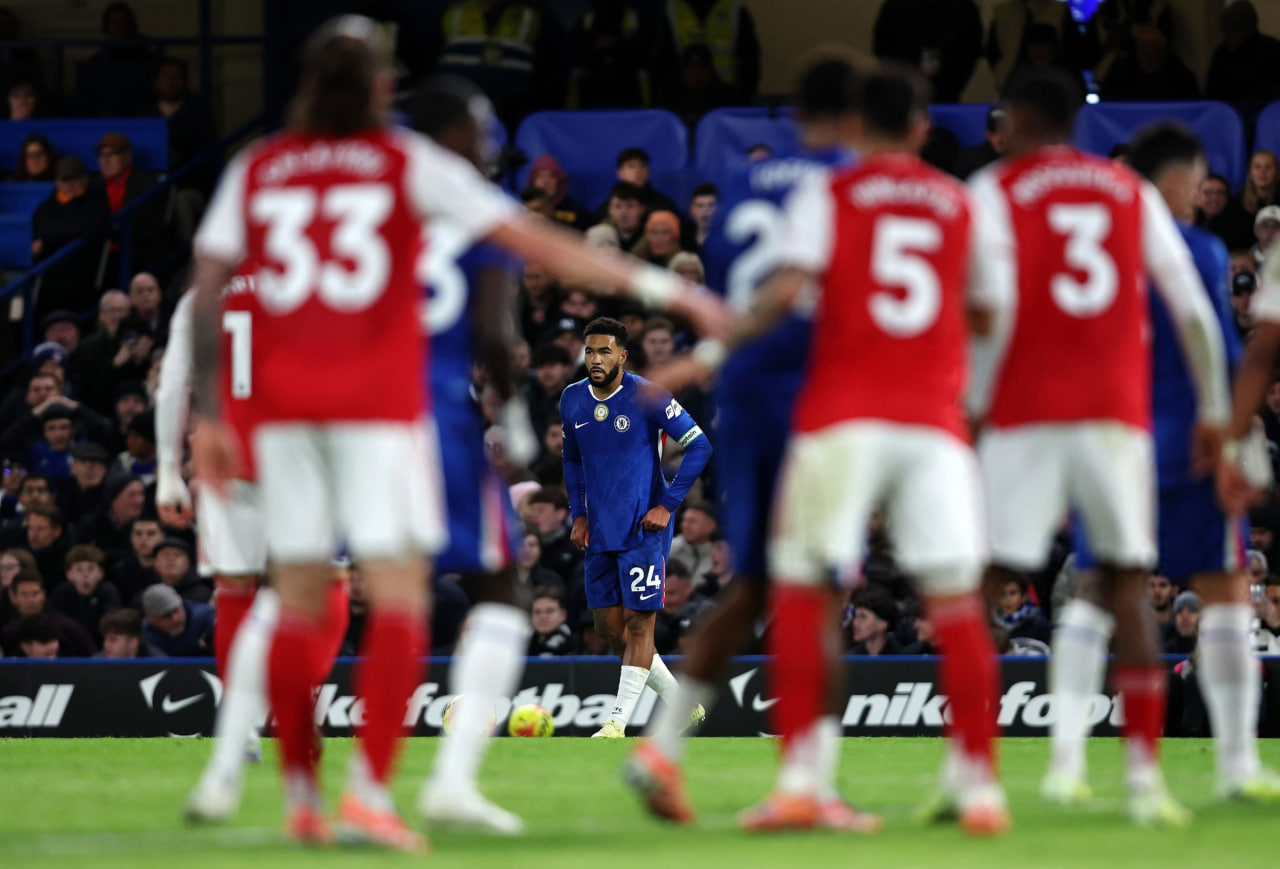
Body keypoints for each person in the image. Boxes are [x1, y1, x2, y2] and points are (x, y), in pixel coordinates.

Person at [187, 17, 724, 850]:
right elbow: (533, 248)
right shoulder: (407, 163)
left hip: (284, 413)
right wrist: (675, 290)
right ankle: (373, 793)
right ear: (381, 88)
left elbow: (208, 284)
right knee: (403, 594)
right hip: (383, 407)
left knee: (291, 600)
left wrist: (209, 414)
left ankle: (294, 792)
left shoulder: (259, 165)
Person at [683, 65, 1002, 835]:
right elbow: (990, 312)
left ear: (856, 126)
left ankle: (801, 783)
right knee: (956, 602)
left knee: (802, 589)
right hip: (933, 423)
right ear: (922, 129)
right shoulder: (961, 201)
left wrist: (711, 352)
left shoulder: (831, 193)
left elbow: (786, 289)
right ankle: (980, 787)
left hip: (841, 419)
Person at [969, 71, 1230, 827]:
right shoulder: (1127, 190)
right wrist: (1216, 410)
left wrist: (975, 409)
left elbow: (988, 307)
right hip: (1116, 416)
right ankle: (1144, 782)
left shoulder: (996, 189)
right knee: (1125, 582)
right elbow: (1193, 312)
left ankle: (983, 773)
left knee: (983, 582)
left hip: (1025, 412)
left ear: (1019, 122)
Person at [624, 54, 863, 830]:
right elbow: (809, 292)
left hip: (745, 401)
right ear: (855, 115)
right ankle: (807, 783)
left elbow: (729, 288)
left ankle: (662, 748)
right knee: (818, 587)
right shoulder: (850, 184)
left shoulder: (742, 187)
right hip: (814, 398)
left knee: (757, 583)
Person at [1054, 124, 1280, 807]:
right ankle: (1238, 764)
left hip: (1108, 442)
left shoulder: (1090, 252)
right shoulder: (1196, 247)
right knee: (1225, 590)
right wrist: (1235, 438)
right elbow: (1216, 345)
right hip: (1190, 441)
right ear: (1177, 179)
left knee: (1097, 592)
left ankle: (1065, 767)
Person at [162, 275, 350, 824]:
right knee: (324, 581)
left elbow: (172, 382)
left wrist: (168, 469)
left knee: (234, 589)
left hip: (226, 453)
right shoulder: (309, 278)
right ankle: (300, 701)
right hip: (300, 448)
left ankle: (240, 726)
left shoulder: (202, 294)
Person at [413, 79, 539, 834]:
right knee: (500, 585)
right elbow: (494, 332)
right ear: (451, 133)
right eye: (481, 128)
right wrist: (515, 414)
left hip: (343, 413)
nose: (491, 143)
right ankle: (452, 781)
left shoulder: (372, 200)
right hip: (430, 413)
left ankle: (247, 765)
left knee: (318, 585)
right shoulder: (479, 211)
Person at [559, 317, 712, 740]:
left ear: (622, 356)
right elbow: (571, 460)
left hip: (645, 525)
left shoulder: (648, 395)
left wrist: (667, 504)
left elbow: (700, 445)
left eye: (604, 351)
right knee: (610, 629)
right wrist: (578, 515)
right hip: (599, 528)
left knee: (641, 624)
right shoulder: (572, 399)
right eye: (590, 351)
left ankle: (616, 723)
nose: (595, 359)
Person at [30, 156, 110, 317]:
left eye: (75, 179)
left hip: (84, 270)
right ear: (57, 182)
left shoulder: (96, 201)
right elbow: (42, 233)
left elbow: (91, 229)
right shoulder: (46, 208)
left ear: (85, 179)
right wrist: (63, 234)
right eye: (66, 180)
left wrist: (49, 240)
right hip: (51, 276)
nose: (71, 185)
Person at [50, 543, 121, 646]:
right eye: (79, 570)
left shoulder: (108, 591)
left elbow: (112, 625)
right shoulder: (61, 593)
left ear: (101, 573)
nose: (85, 575)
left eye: (91, 569)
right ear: (69, 574)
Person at [141, 583, 214, 657]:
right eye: (166, 616)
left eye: (176, 610)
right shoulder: (144, 634)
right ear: (151, 618)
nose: (175, 619)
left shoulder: (206, 616)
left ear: (181, 603)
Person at [954, 105, 1008, 180]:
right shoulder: (969, 159)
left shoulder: (1021, 161)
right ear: (988, 134)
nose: (1000, 137)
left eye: (1005, 131)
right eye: (994, 131)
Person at [669, 500, 716, 586]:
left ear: (711, 525)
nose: (684, 525)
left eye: (692, 521)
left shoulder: (721, 555)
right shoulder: (670, 548)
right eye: (684, 520)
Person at [528, 585, 578, 656]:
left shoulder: (577, 647)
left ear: (563, 614)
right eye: (537, 612)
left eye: (549, 611)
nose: (543, 616)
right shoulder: (521, 646)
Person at [98, 607, 163, 657]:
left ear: (133, 642)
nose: (106, 645)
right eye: (105, 639)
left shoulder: (159, 663)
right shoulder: (97, 661)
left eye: (113, 639)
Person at [687, 183, 718, 250]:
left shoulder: (727, 239)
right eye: (700, 206)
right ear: (692, 210)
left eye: (710, 205)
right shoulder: (683, 238)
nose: (705, 210)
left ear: (719, 209)